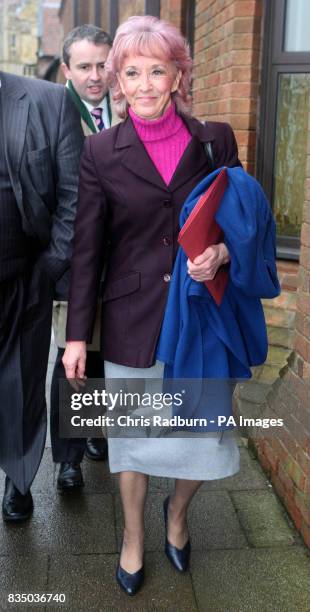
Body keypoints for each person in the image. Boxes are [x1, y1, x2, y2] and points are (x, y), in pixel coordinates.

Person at [62, 15, 279, 596]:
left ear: (178, 74)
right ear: (117, 82)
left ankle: (176, 516)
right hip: (133, 315)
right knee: (133, 437)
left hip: (201, 316)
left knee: (199, 436)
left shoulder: (216, 140)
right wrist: (77, 336)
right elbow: (87, 249)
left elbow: (246, 220)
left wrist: (225, 252)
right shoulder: (101, 153)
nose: (147, 84)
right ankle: (133, 535)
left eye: (158, 70)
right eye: (132, 73)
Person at [0, 71, 83, 522]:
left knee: (22, 384)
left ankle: (18, 479)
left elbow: (73, 195)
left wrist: (49, 268)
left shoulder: (48, 102)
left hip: (23, 277)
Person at [51, 24, 120, 494]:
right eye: (84, 66)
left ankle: (96, 429)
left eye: (102, 65)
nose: (96, 76)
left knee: (104, 354)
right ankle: (68, 459)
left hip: (121, 259)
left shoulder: (130, 106)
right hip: (75, 259)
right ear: (66, 69)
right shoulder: (53, 112)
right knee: (71, 358)